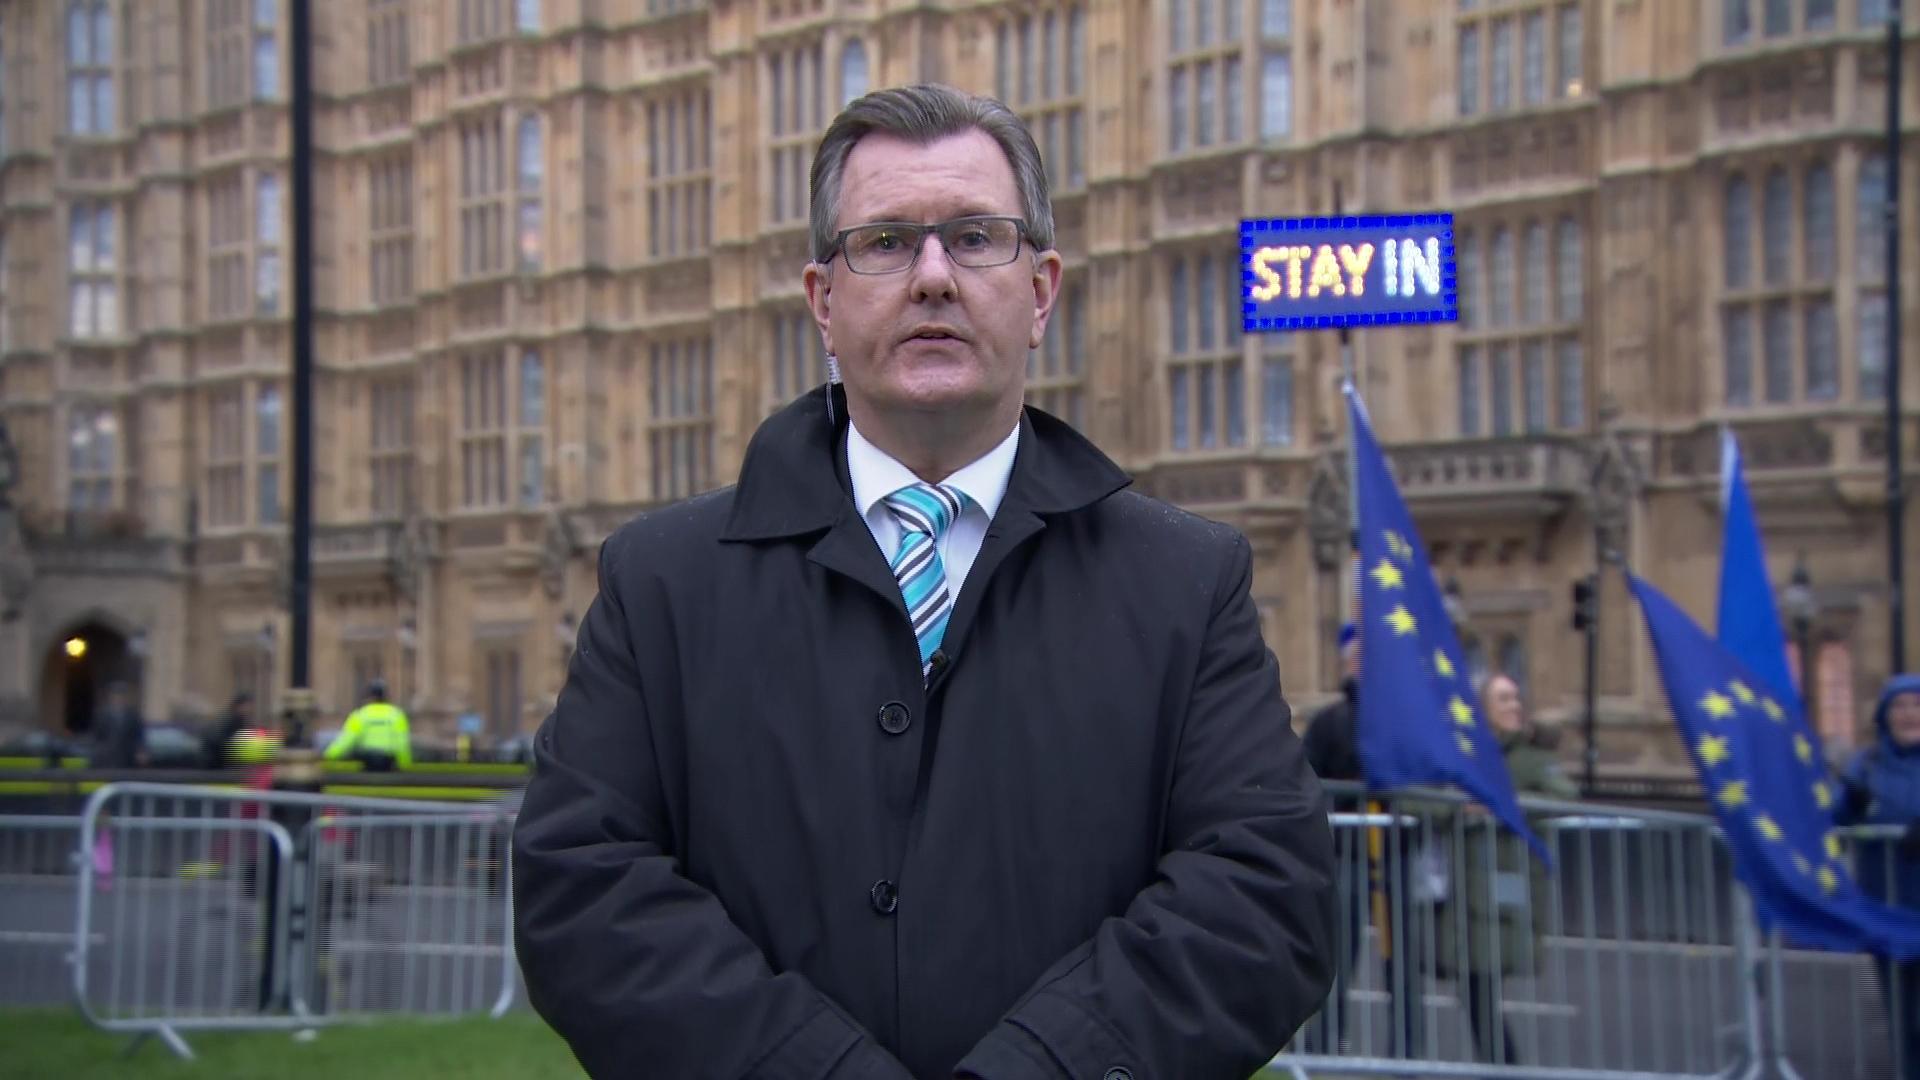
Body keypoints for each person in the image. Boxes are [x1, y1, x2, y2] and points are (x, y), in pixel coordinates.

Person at [512, 83, 1337, 1080]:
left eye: (977, 237)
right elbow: (583, 891)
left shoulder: (1185, 583)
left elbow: (1264, 893)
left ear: (1041, 292)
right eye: (887, 242)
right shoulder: (662, 585)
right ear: (824, 300)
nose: (934, 276)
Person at [1429, 671, 1576, 1068]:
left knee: (1480, 990)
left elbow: (1564, 797)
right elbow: (1421, 799)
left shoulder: (1530, 757)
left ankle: (1505, 1070)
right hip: (1464, 891)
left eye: (1515, 697)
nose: (1514, 705)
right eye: (1503, 699)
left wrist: (1502, 804)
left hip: (1505, 889)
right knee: (1476, 991)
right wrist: (1459, 807)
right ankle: (1502, 1069)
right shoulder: (1466, 755)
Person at [1301, 623, 1428, 1060]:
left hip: (1395, 854)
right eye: (1355, 656)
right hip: (1345, 857)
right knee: (1339, 960)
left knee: (1403, 964)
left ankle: (1407, 1056)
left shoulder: (1403, 721)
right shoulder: (1329, 722)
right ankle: (1329, 1051)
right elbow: (1306, 780)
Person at [1837, 674, 1920, 1080]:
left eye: (1916, 705)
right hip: (1885, 904)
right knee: (1900, 1013)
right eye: (1898, 706)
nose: (1908, 714)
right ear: (1885, 716)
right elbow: (1836, 819)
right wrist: (1851, 800)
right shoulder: (1866, 764)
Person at [323, 680, 412, 772]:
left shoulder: (360, 715)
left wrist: (329, 756)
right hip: (388, 760)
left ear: (369, 697)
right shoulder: (397, 715)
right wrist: (404, 764)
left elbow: (347, 740)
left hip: (367, 759)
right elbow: (402, 742)